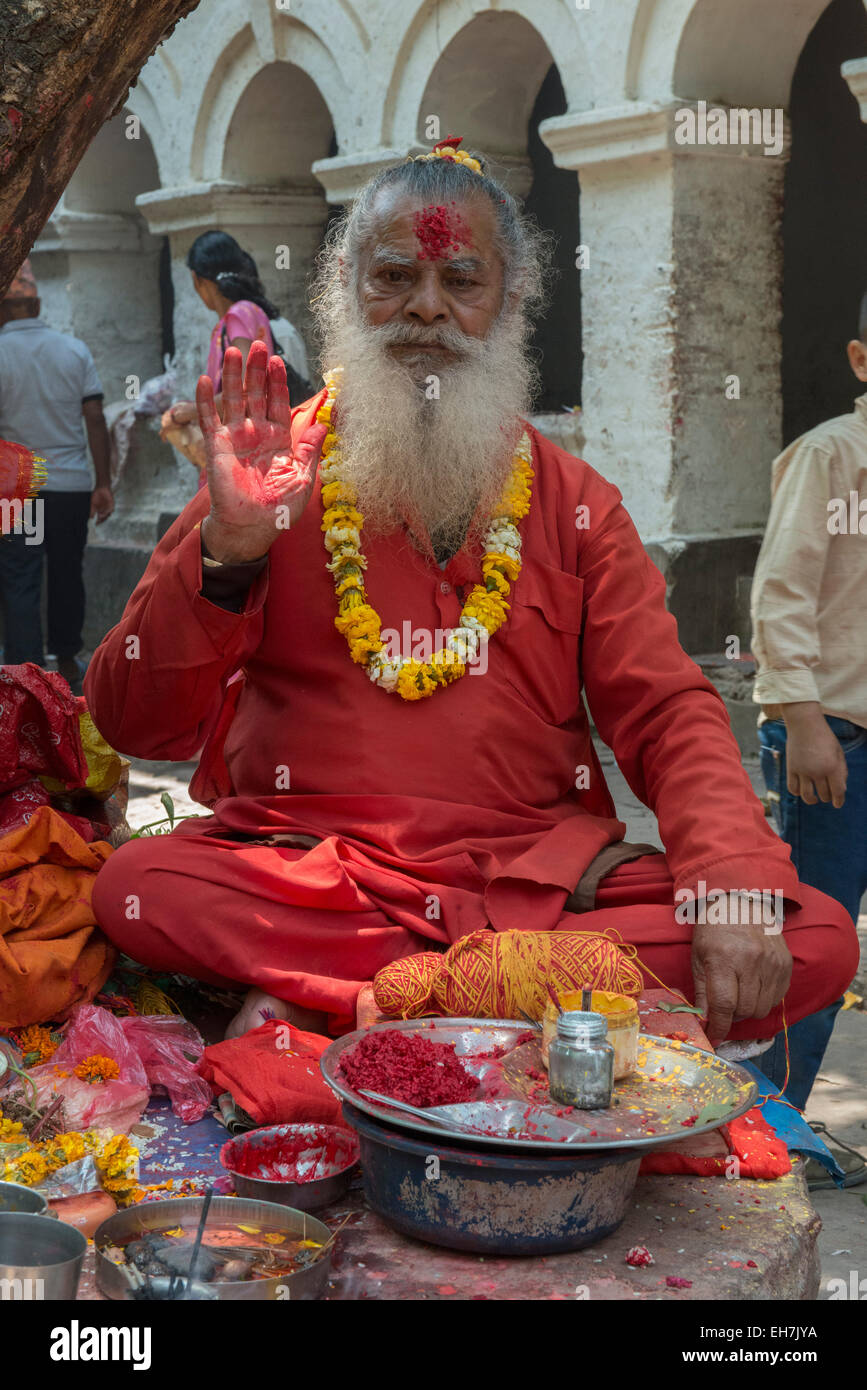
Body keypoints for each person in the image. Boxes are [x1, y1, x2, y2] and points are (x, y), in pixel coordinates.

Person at [85, 140, 857, 1058]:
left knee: (813, 935)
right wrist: (228, 553)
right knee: (144, 883)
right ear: (344, 290)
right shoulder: (268, 475)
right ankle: (499, 1003)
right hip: (317, 871)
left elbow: (662, 708)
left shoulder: (573, 502)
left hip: (536, 878)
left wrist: (728, 879)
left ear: (510, 303)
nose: (426, 306)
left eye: (461, 279)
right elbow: (136, 723)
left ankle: (367, 1000)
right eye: (394, 277)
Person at [750, 294, 867, 1108]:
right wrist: (799, 720)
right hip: (832, 735)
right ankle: (771, 1120)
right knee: (818, 931)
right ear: (861, 361)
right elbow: (781, 590)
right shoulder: (831, 456)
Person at [0, 260, 113, 691]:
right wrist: (102, 483)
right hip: (70, 487)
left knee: (21, 577)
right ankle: (67, 661)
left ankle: (26, 678)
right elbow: (95, 417)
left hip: (22, 493)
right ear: (39, 304)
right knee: (67, 571)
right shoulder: (74, 350)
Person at [162, 233, 312, 477]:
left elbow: (242, 392)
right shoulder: (252, 311)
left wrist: (187, 412)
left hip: (243, 457)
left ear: (198, 280)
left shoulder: (237, 315)